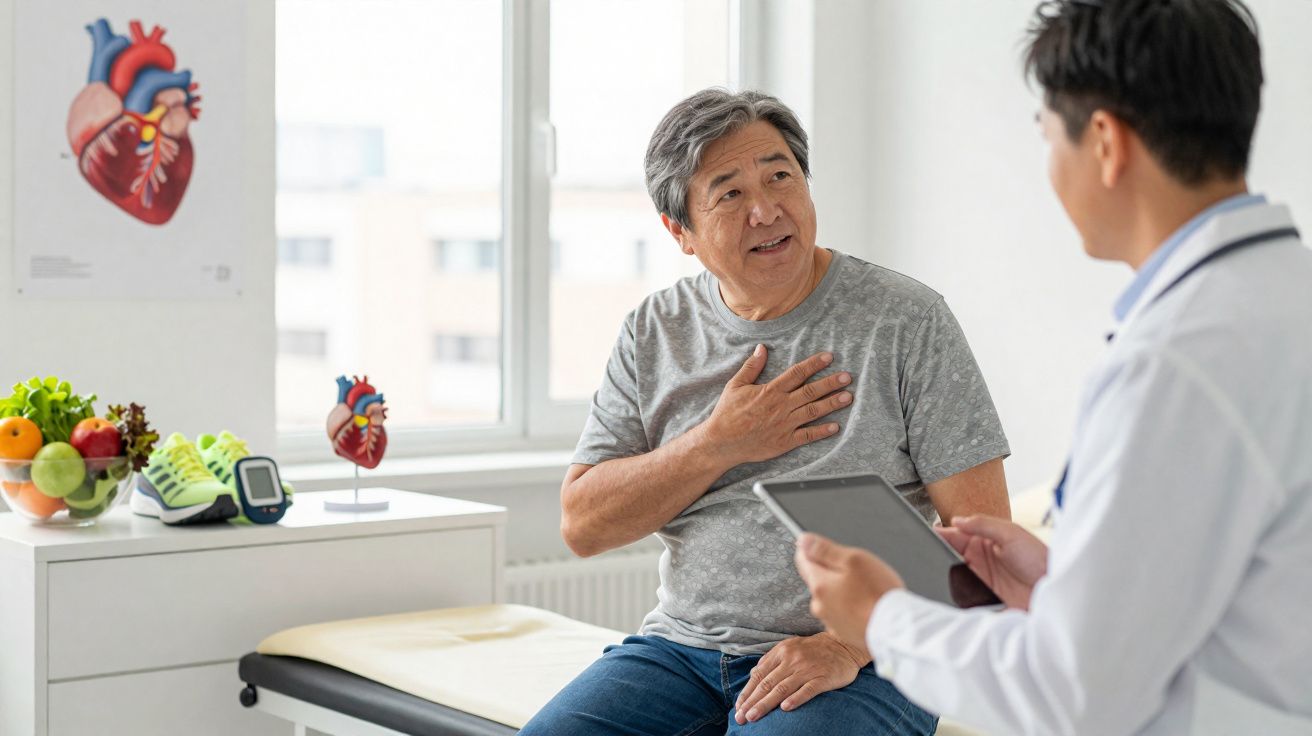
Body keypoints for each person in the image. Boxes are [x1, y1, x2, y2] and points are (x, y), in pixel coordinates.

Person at [795, 1, 1312, 734]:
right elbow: (1246, 588)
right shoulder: (1282, 297)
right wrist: (1058, 582)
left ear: (1104, 141)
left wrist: (884, 621)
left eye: (1047, 136)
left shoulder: (1177, 359)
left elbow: (1075, 693)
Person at [519, 89, 1012, 735]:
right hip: (680, 650)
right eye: (728, 194)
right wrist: (718, 443)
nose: (766, 210)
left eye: (780, 177)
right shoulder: (653, 330)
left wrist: (849, 644)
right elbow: (585, 525)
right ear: (680, 233)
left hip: (864, 659)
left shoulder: (907, 320)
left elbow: (985, 544)